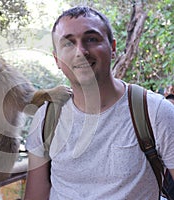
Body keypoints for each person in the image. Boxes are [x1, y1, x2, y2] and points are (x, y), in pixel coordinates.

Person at [24, 6, 174, 200]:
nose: (81, 51)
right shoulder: (46, 118)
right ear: (57, 59)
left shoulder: (155, 112)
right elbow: (36, 195)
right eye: (68, 44)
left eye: (92, 39)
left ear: (112, 48)